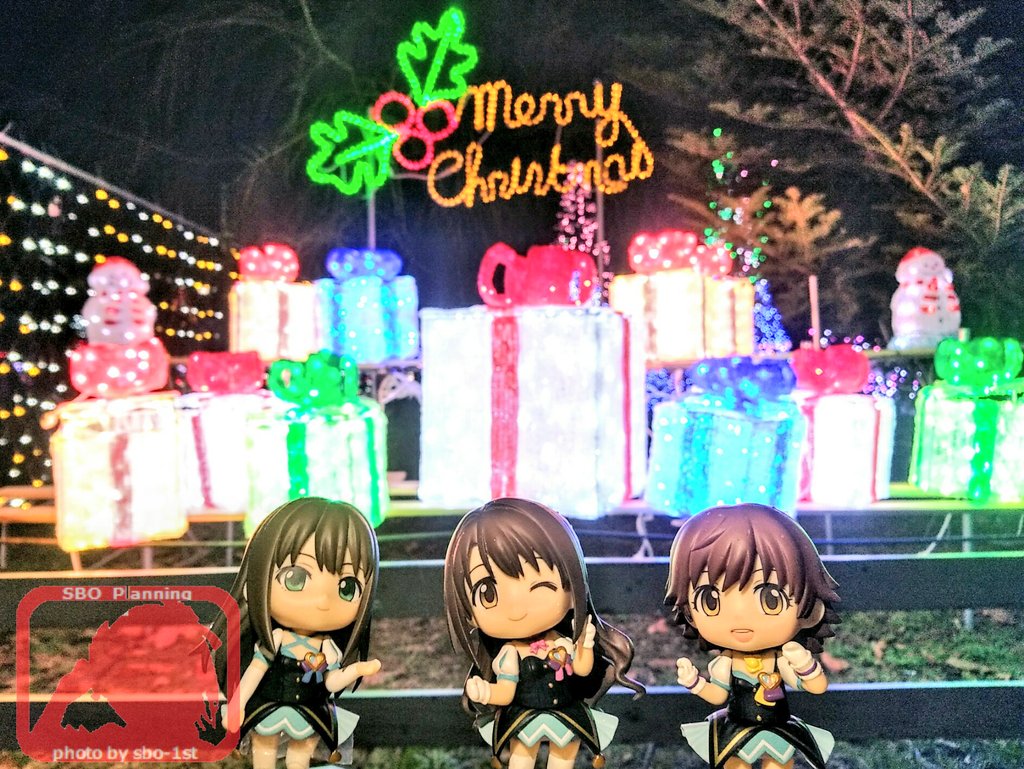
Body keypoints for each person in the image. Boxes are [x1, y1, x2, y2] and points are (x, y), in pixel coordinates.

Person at [443, 497, 645, 769]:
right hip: (524, 717)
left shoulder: (562, 642)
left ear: (573, 587)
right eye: (488, 593)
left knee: (563, 759)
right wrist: (486, 693)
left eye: (540, 584)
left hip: (566, 713)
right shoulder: (509, 654)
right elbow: (506, 693)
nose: (516, 608)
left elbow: (581, 669)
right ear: (468, 612)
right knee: (522, 759)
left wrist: (585, 646)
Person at [666, 503, 840, 769]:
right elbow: (718, 696)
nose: (739, 616)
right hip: (737, 730)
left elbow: (817, 687)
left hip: (778, 729)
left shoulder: (781, 661)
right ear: (690, 611)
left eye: (771, 598)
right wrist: (695, 683)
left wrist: (806, 665)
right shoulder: (725, 663)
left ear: (811, 610)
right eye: (711, 600)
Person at [213, 497, 380, 769]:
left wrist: (356, 671)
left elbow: (331, 683)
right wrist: (237, 704)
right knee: (264, 752)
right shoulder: (277, 640)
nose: (323, 600)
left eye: (347, 587)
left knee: (300, 757)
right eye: (296, 578)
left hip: (311, 711)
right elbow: (256, 670)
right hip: (268, 705)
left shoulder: (327, 648)